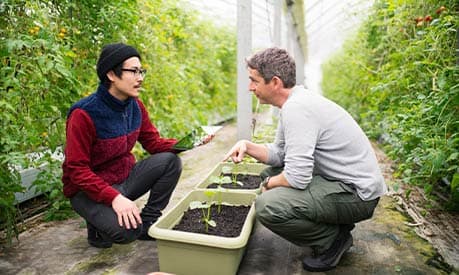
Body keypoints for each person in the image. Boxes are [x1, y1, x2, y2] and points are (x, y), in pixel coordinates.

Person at [224, 47, 387, 272]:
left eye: (254, 81)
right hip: (342, 184)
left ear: (275, 82)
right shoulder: (293, 103)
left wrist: (267, 186)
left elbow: (297, 178)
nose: (250, 87)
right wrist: (247, 146)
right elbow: (280, 154)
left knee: (268, 205)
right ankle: (334, 223)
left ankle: (332, 240)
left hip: (358, 195)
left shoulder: (298, 109)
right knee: (269, 174)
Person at [62, 43, 183, 248]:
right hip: (87, 190)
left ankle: (148, 221)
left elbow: (152, 143)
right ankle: (96, 225)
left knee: (171, 161)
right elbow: (76, 170)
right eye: (133, 71)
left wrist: (186, 144)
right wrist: (115, 198)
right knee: (127, 232)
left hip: (123, 179)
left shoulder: (135, 105)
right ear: (111, 74)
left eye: (141, 71)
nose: (140, 78)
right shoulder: (84, 114)